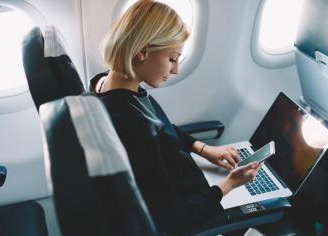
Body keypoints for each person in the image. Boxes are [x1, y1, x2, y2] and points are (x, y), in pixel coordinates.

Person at [90, 0, 261, 234]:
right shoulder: (131, 124)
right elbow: (174, 220)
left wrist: (203, 148)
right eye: (172, 58)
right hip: (196, 207)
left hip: (193, 182)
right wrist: (231, 184)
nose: (175, 70)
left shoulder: (106, 85)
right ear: (142, 51)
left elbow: (161, 126)